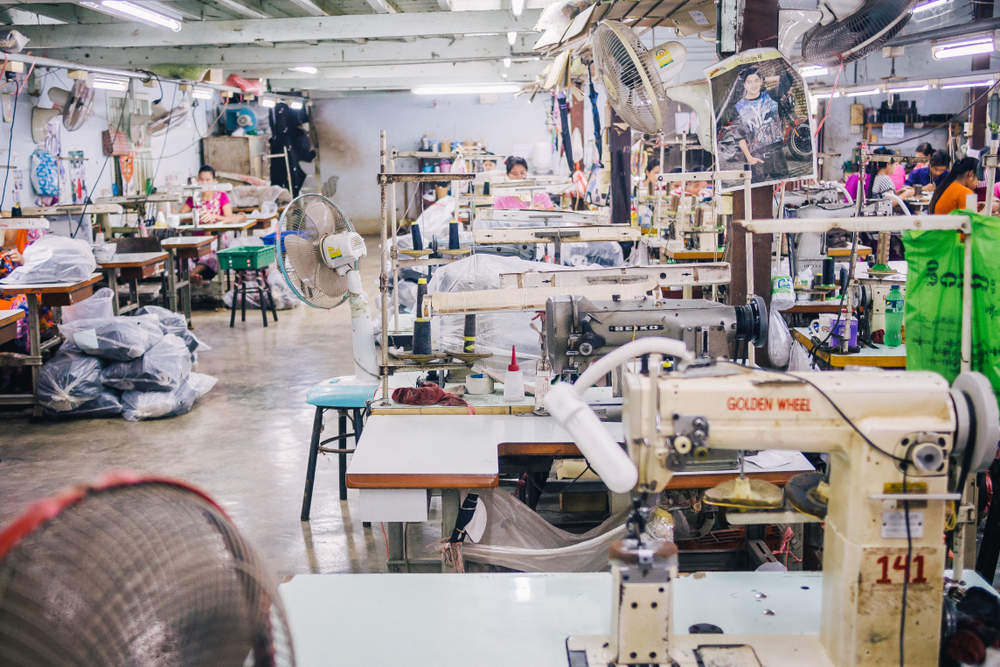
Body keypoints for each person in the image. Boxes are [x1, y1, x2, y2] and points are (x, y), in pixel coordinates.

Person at [731, 67, 793, 184]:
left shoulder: (771, 96)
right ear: (744, 85)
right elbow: (739, 136)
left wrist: (764, 79)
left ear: (760, 82)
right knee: (757, 192)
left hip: (776, 155)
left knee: (783, 187)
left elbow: (788, 79)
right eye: (749, 82)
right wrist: (749, 158)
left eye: (756, 81)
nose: (753, 85)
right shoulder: (740, 107)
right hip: (756, 157)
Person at [179, 165, 236, 286]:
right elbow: (181, 217)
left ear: (214, 181)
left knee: (212, 254)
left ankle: (192, 274)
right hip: (197, 240)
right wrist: (193, 217)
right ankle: (192, 277)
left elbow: (230, 218)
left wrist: (214, 216)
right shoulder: (193, 198)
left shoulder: (221, 196)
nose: (204, 183)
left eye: (207, 180)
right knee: (184, 255)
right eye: (201, 179)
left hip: (216, 239)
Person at [0, 228, 53, 352]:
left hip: (30, 293)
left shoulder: (32, 232)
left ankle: (21, 363)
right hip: (4, 297)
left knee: (21, 307)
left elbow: (47, 269)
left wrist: (24, 261)